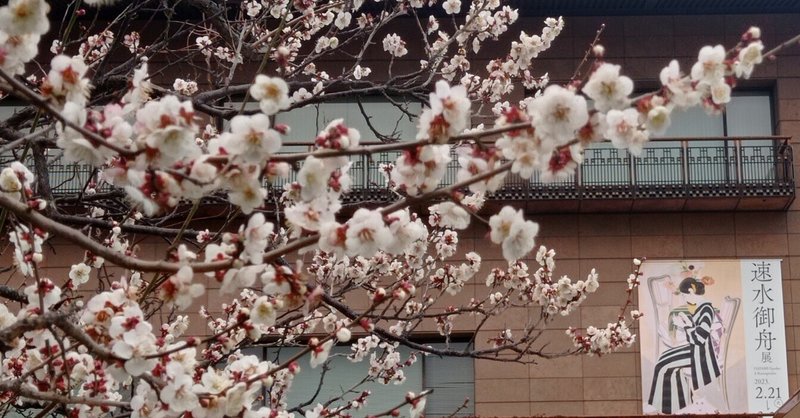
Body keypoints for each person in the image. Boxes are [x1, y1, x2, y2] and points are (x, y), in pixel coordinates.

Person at [647, 277, 721, 414]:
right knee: (663, 359)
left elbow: (700, 337)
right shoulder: (702, 307)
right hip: (697, 350)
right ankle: (680, 404)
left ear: (692, 291)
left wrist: (684, 325)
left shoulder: (706, 309)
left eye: (685, 295)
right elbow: (697, 331)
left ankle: (665, 406)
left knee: (663, 366)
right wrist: (686, 322)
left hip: (701, 356)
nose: (684, 298)